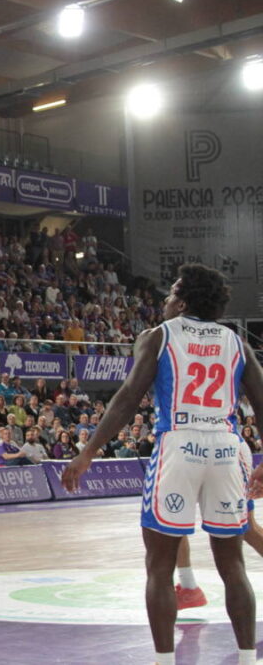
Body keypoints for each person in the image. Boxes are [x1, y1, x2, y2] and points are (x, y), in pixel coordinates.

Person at [63, 264, 263, 665]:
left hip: (179, 445)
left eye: (171, 293)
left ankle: (164, 660)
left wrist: (88, 452)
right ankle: (246, 658)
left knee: (159, 565)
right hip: (226, 448)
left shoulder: (158, 336)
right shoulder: (236, 342)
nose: (166, 300)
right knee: (232, 563)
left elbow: (126, 398)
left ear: (184, 301)